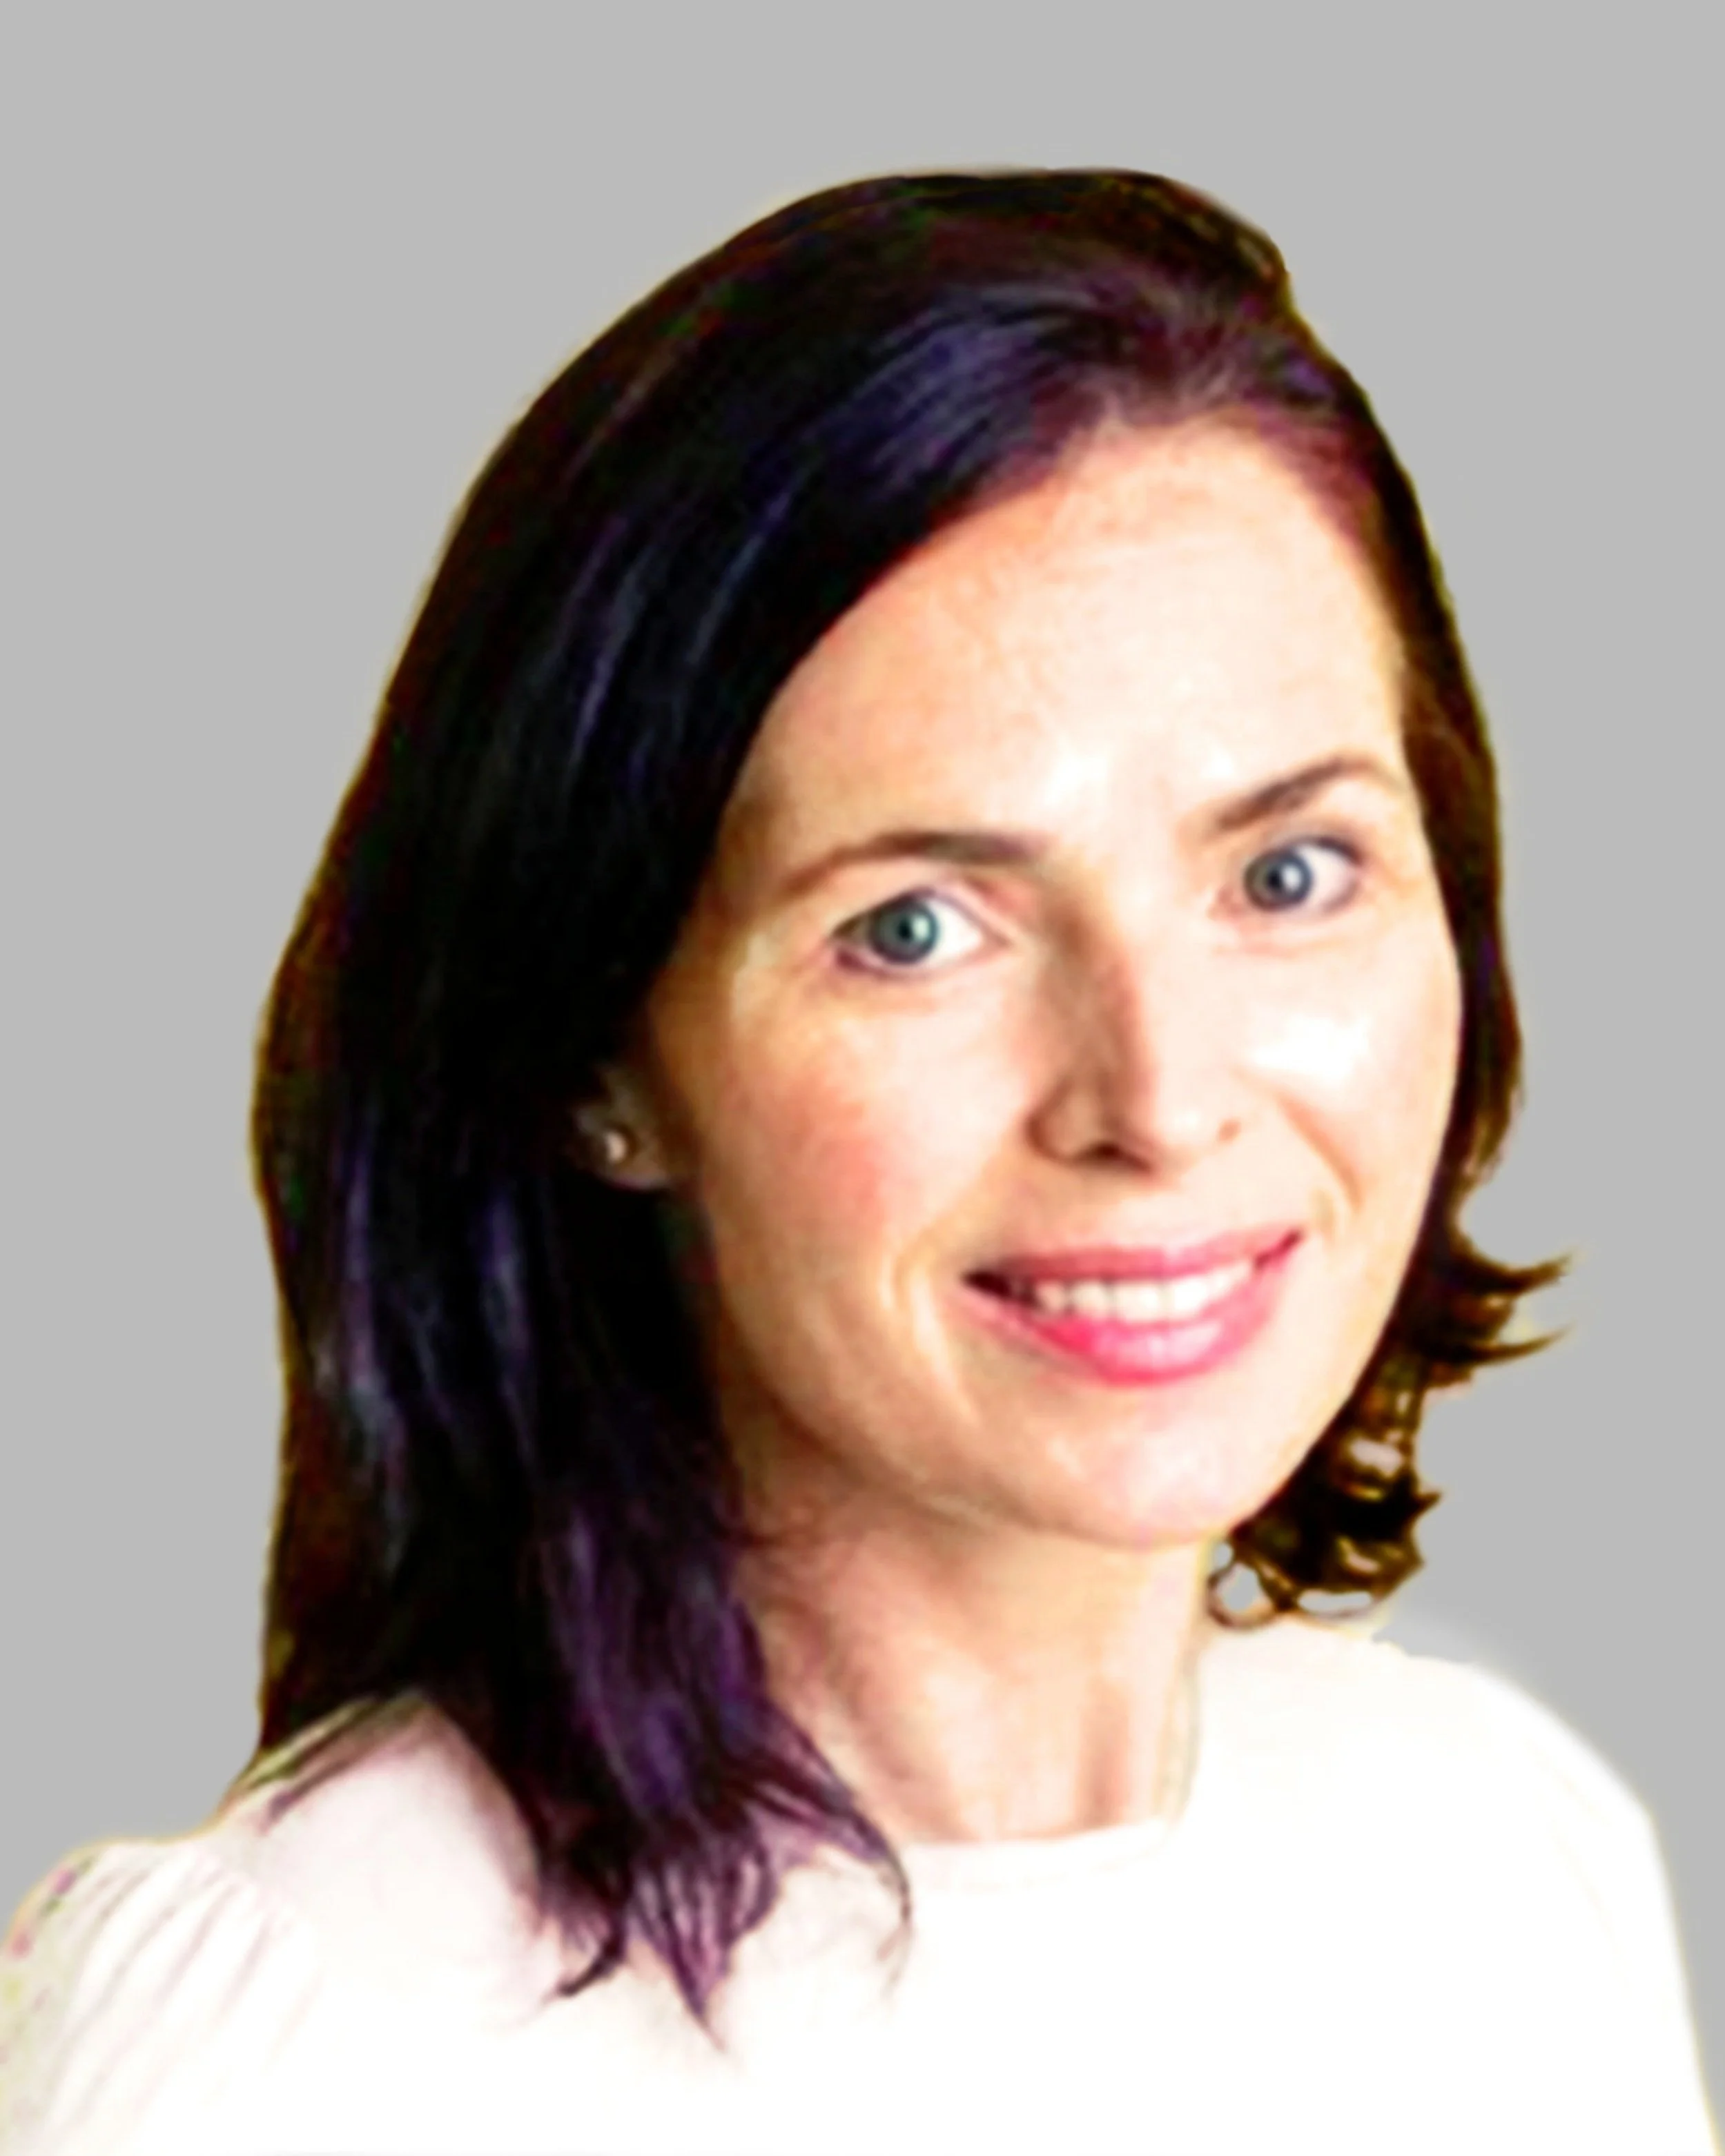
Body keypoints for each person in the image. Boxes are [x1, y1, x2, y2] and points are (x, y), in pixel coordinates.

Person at [0, 168, 1715, 2156]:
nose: (1156, 1096)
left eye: (1286, 872)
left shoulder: (1510, 1854)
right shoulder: (296, 2042)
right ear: (597, 1056)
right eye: (914, 925)